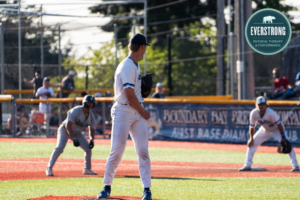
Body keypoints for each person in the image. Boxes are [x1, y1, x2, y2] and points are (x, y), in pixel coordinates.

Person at [97, 33, 152, 200]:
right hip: (123, 111)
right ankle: (106, 187)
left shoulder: (134, 65)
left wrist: (142, 93)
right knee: (117, 151)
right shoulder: (127, 66)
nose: (144, 51)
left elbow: (133, 92)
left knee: (143, 151)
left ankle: (147, 189)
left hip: (136, 110)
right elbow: (128, 95)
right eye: (145, 48)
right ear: (141, 47)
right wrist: (143, 111)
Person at [239, 96, 299, 172]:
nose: (261, 106)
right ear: (256, 105)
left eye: (263, 104)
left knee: (287, 144)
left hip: (277, 130)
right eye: (259, 104)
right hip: (264, 130)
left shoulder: (270, 113)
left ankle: (295, 166)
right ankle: (247, 165)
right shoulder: (253, 113)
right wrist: (251, 138)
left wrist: (283, 137)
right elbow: (252, 127)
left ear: (266, 105)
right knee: (251, 144)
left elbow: (279, 125)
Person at [46, 95, 98, 176]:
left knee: (88, 148)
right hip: (64, 130)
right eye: (88, 102)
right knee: (60, 147)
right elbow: (68, 126)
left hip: (77, 133)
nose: (90, 104)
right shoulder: (75, 111)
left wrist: (92, 140)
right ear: (84, 103)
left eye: (92, 103)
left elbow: (92, 128)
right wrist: (73, 138)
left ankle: (87, 169)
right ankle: (49, 168)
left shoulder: (91, 116)